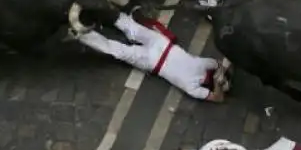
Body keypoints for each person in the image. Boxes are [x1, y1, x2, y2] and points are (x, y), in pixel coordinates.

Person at [76, 12, 230, 101]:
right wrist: (221, 78)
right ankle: (100, 16)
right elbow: (219, 67)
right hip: (160, 50)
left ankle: (85, 31)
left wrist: (219, 82)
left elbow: (218, 98)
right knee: (129, 34)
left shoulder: (196, 85)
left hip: (155, 58)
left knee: (121, 48)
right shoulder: (203, 70)